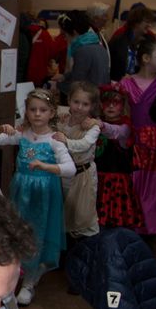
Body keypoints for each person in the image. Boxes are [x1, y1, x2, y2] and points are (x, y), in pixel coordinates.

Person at [0, 88, 76, 306]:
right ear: (27, 112)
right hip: (21, 192)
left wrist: (46, 167)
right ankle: (12, 277)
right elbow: (0, 140)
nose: (37, 114)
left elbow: (70, 169)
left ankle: (30, 282)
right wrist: (3, 129)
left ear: (52, 113)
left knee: (37, 233)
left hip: (43, 195)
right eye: (32, 109)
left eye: (43, 110)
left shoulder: (54, 140)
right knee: (17, 231)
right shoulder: (23, 134)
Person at [119, 39, 156, 237]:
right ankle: (135, 225)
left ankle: (153, 228)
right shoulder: (126, 84)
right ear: (146, 58)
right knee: (135, 185)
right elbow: (122, 113)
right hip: (135, 144)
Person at [54, 81, 101, 240]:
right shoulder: (62, 119)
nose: (79, 107)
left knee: (82, 213)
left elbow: (84, 145)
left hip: (83, 175)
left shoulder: (92, 127)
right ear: (69, 100)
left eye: (85, 104)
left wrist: (65, 141)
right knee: (64, 208)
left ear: (92, 106)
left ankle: (87, 245)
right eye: (76, 102)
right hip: (62, 174)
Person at [95, 83, 144, 229]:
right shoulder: (96, 121)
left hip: (116, 182)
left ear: (122, 106)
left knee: (117, 217)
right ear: (101, 105)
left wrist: (100, 125)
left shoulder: (125, 127)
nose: (110, 106)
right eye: (106, 102)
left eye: (115, 102)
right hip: (97, 177)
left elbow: (115, 132)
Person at [51, 10, 109, 94]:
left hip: (90, 96)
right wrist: (65, 76)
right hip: (99, 94)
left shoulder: (83, 50)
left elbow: (77, 87)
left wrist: (57, 85)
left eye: (65, 34)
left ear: (74, 32)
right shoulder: (96, 44)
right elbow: (84, 72)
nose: (65, 38)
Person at [108, 5, 155, 81]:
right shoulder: (119, 39)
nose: (150, 25)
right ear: (136, 22)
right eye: (147, 22)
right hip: (120, 82)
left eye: (150, 22)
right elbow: (111, 63)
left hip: (142, 82)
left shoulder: (150, 40)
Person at [86, 1, 112, 74]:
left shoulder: (99, 33)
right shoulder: (87, 36)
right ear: (95, 19)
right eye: (105, 16)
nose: (107, 18)